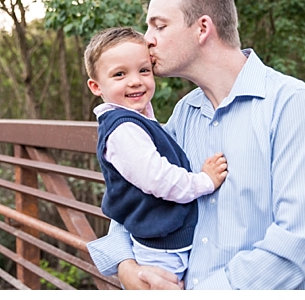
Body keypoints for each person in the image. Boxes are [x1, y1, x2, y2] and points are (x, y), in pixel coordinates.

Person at [87, 0, 305, 289]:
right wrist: (126, 266)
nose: (147, 40)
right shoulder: (184, 112)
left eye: (159, 26)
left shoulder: (292, 105)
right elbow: (143, 189)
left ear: (203, 28)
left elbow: (301, 240)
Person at [85, 27, 228, 283]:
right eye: (119, 74)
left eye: (143, 70)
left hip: (165, 239)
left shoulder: (136, 120)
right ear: (96, 86)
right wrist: (205, 181)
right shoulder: (124, 130)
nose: (135, 81)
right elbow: (159, 179)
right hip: (161, 246)